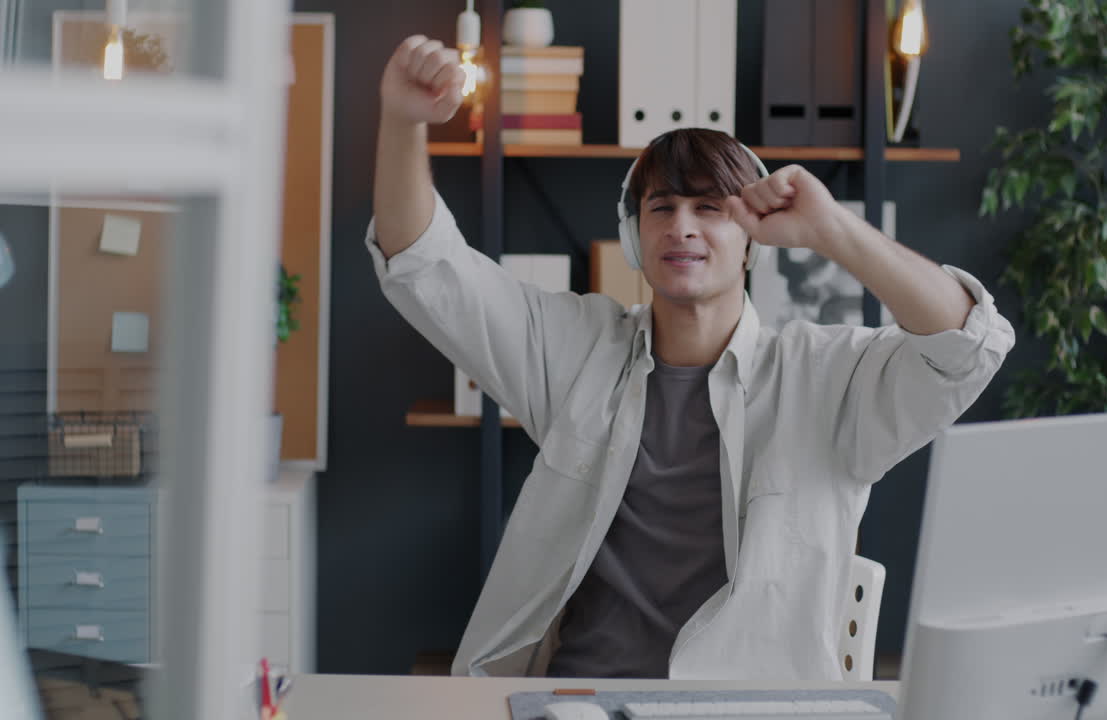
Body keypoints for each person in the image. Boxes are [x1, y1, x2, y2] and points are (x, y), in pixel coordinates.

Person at [368, 35, 1016, 679]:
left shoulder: (823, 376)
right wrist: (402, 119)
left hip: (746, 706)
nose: (682, 226)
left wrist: (832, 229)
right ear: (634, 237)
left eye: (710, 208)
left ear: (752, 241)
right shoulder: (576, 350)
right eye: (663, 207)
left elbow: (967, 346)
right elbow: (424, 266)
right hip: (581, 696)